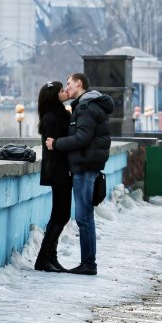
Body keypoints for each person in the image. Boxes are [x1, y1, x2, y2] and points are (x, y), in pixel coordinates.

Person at [45, 73, 114, 275]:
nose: (67, 88)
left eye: (69, 83)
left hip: (84, 167)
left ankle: (88, 264)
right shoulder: (89, 105)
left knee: (84, 218)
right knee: (86, 217)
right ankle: (88, 262)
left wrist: (55, 144)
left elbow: (82, 137)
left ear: (79, 83)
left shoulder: (86, 107)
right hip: (88, 164)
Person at [35, 81, 72, 273]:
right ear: (54, 96)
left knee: (60, 214)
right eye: (61, 91)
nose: (65, 92)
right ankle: (43, 258)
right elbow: (56, 146)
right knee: (60, 215)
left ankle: (51, 257)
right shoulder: (52, 118)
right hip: (59, 170)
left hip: (60, 170)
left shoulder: (57, 115)